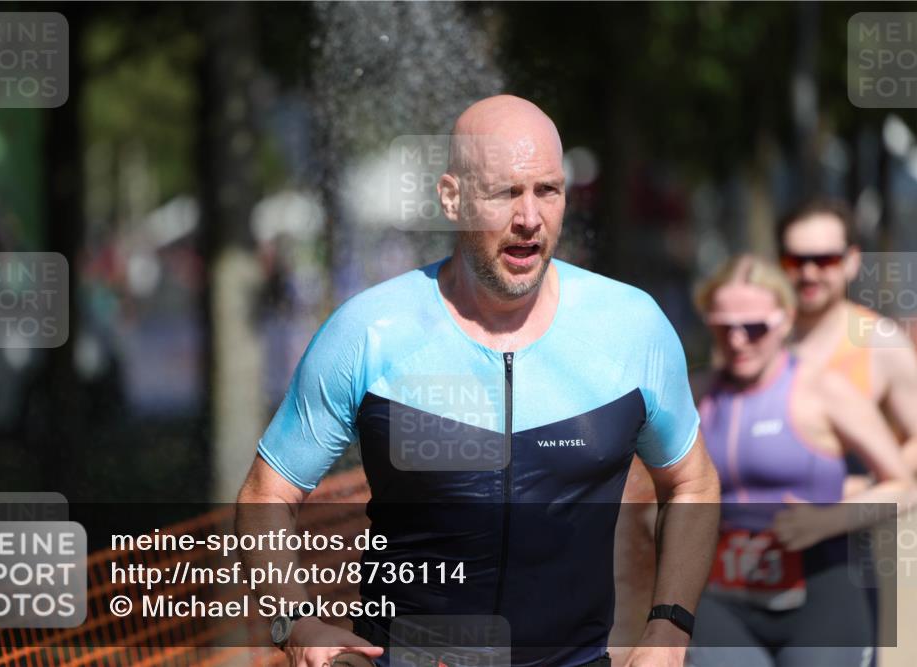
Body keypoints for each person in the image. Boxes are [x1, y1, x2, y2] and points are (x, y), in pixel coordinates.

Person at [237, 94, 721, 667]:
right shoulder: (369, 331)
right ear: (452, 199)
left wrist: (669, 629)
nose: (529, 218)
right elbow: (267, 495)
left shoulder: (632, 327)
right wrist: (294, 621)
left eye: (547, 190)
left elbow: (692, 484)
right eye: (504, 193)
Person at [686, 255, 914, 667]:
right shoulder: (696, 394)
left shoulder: (824, 389)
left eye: (754, 327)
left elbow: (903, 489)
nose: (737, 340)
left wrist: (826, 521)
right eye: (723, 326)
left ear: (786, 320)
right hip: (722, 595)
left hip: (820, 588)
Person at [776, 199, 917, 482]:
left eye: (825, 260)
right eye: (795, 261)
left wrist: (870, 487)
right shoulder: (758, 341)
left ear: (852, 261)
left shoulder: (881, 342)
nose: (809, 273)